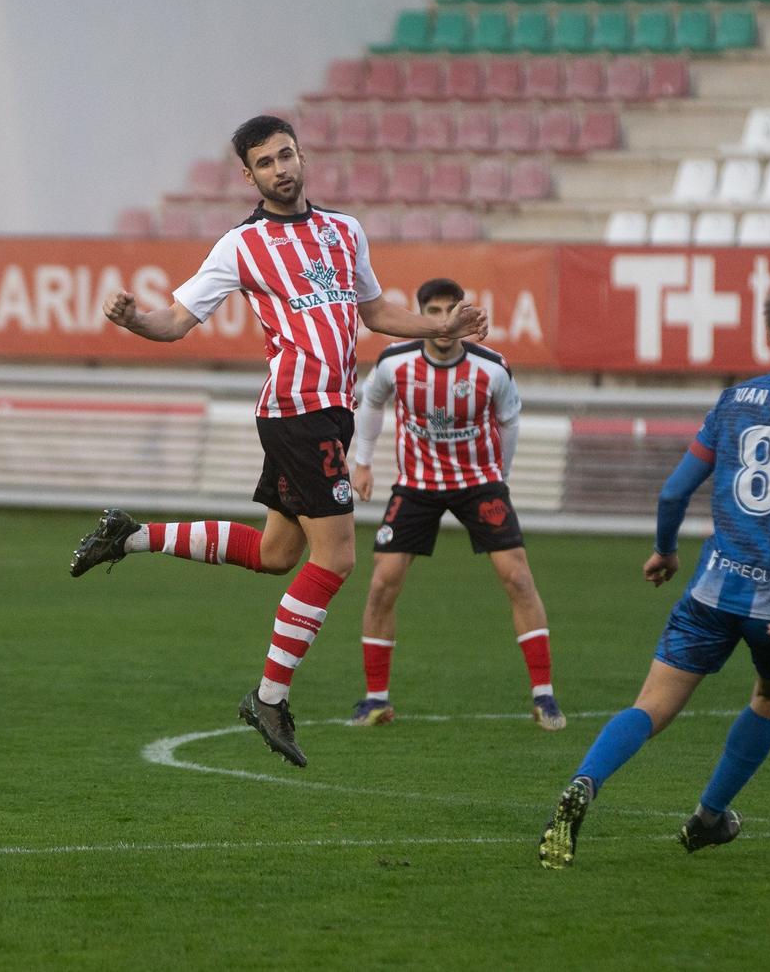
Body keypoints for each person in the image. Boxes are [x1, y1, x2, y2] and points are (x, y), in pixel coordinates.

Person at [69, 114, 488, 769]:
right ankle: (268, 696)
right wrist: (135, 321)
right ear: (249, 175)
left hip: (328, 412)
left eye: (286, 155)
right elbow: (177, 320)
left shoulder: (343, 230)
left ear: (301, 155)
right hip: (299, 408)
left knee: (276, 553)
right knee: (339, 558)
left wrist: (443, 327)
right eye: (265, 163)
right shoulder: (241, 245)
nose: (281, 169)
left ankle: (129, 536)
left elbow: (375, 314)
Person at [537, 275, 770, 869]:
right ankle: (709, 817)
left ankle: (585, 781)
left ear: (768, 335)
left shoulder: (733, 401)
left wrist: (665, 549)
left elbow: (673, 491)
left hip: (712, 589)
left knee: (651, 705)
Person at [346, 277, 564, 733]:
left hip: (478, 482)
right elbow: (371, 403)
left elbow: (509, 421)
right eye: (435, 311)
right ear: (421, 316)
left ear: (465, 316)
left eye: (452, 310)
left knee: (518, 576)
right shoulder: (394, 362)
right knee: (383, 582)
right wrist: (361, 462)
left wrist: (498, 478)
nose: (444, 322)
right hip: (416, 485)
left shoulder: (492, 368)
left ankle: (544, 695)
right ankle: (375, 699)